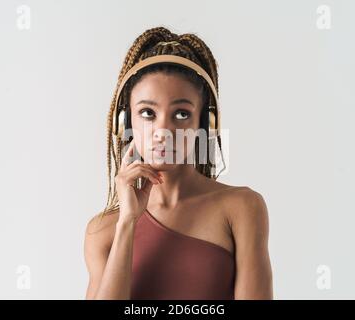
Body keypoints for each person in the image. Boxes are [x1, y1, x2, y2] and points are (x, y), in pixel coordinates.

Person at [84, 26, 273, 300]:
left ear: (204, 124)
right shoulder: (102, 232)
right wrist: (127, 223)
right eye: (148, 112)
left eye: (182, 114)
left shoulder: (242, 208)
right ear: (125, 122)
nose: (163, 131)